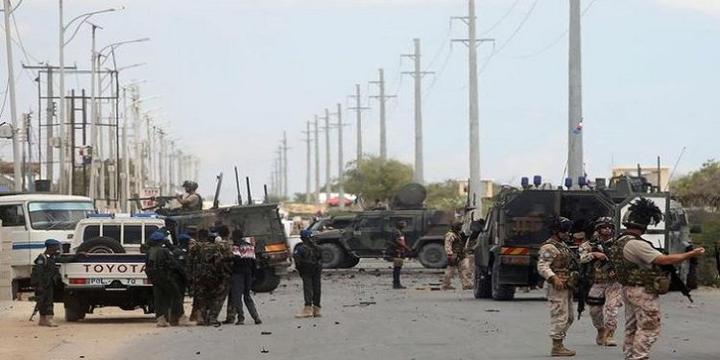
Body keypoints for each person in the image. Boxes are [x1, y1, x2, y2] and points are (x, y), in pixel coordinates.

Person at [608, 198, 705, 360]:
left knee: (632, 326)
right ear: (643, 224)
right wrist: (691, 254)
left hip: (628, 289)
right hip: (641, 291)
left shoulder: (620, 241)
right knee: (649, 326)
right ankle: (639, 357)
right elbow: (663, 260)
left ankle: (631, 355)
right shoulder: (637, 245)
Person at [537, 217, 579, 357]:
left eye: (568, 230)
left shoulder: (563, 245)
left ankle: (559, 340)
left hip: (567, 285)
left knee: (570, 317)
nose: (567, 233)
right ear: (556, 231)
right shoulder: (549, 247)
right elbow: (542, 266)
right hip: (557, 286)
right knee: (560, 315)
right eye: (564, 230)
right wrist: (553, 278)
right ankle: (557, 345)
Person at [578, 216, 622, 347]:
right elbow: (582, 258)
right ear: (598, 229)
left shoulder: (618, 244)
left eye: (609, 227)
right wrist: (595, 255)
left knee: (611, 308)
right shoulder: (590, 245)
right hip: (597, 281)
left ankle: (610, 334)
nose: (607, 230)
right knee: (594, 310)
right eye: (604, 227)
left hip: (615, 282)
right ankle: (601, 330)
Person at [145, 231, 189, 327]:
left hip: (155, 278)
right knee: (176, 296)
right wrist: (184, 274)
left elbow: (147, 266)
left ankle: (161, 319)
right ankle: (181, 318)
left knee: (159, 298)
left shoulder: (149, 251)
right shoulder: (164, 251)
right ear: (161, 241)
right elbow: (174, 264)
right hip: (165, 277)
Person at [192, 232, 233, 326]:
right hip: (213, 277)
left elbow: (191, 260)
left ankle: (203, 318)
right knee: (216, 298)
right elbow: (219, 263)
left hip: (200, 277)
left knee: (202, 298)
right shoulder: (216, 248)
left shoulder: (198, 248)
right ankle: (212, 318)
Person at [229, 229, 262, 325]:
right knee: (247, 296)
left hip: (238, 273)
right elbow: (254, 263)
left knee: (237, 296)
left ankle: (241, 318)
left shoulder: (236, 246)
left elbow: (236, 259)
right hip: (248, 273)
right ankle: (256, 317)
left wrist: (227, 259)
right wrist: (253, 275)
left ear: (235, 237)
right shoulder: (250, 246)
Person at [30, 239, 63, 327]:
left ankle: (43, 320)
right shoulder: (42, 258)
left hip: (49, 283)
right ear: (50, 247)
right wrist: (40, 286)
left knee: (46, 301)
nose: (57, 248)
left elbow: (64, 259)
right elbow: (39, 273)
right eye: (56, 247)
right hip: (43, 284)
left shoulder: (52, 257)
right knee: (46, 302)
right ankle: (47, 320)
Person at [293, 229, 323, 318]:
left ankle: (308, 309)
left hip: (306, 271)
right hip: (317, 270)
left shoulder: (300, 248)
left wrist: (300, 269)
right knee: (317, 288)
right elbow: (321, 260)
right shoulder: (318, 248)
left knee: (308, 288)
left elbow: (297, 261)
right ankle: (317, 309)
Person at [442, 222, 471, 290]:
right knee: (450, 271)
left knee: (465, 270)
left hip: (461, 254)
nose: (461, 227)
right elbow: (448, 245)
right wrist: (450, 254)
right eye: (460, 226)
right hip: (454, 255)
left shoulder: (458, 234)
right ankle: (446, 285)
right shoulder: (450, 234)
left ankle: (466, 284)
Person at [386, 220, 411, 289]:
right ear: (400, 225)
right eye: (403, 224)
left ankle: (396, 283)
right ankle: (396, 284)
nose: (405, 225)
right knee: (397, 269)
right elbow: (398, 241)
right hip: (396, 252)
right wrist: (406, 248)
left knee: (398, 268)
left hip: (399, 252)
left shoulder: (399, 232)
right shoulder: (397, 232)